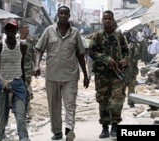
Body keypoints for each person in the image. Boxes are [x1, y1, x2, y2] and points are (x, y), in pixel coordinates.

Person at [33, 6, 89, 141]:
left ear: (69, 15)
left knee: (70, 104)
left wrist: (86, 75)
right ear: (58, 15)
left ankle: (69, 129)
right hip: (52, 75)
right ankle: (57, 131)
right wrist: (36, 65)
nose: (63, 15)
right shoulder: (49, 31)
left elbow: (80, 55)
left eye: (66, 13)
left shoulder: (75, 33)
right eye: (61, 13)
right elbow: (39, 49)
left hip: (70, 76)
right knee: (54, 106)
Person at [88, 10, 130, 138]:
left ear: (113, 20)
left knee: (117, 100)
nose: (107, 21)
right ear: (102, 20)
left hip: (117, 74)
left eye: (109, 19)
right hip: (102, 75)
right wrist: (106, 59)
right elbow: (91, 52)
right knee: (103, 101)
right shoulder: (97, 36)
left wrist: (125, 60)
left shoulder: (119, 36)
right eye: (105, 18)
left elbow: (127, 51)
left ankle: (115, 126)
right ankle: (105, 127)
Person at [0, 18, 30, 141]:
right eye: (8, 28)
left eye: (13, 28)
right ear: (4, 30)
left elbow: (22, 66)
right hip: (3, 84)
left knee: (20, 117)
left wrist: (26, 86)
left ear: (17, 30)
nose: (10, 30)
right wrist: (3, 82)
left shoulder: (23, 46)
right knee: (2, 118)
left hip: (18, 84)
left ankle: (24, 138)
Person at [19, 21, 35, 120]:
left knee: (26, 86)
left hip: (27, 68)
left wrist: (36, 66)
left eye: (28, 28)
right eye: (26, 28)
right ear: (21, 29)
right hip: (17, 68)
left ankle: (27, 107)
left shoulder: (30, 40)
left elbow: (33, 53)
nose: (28, 30)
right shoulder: (15, 40)